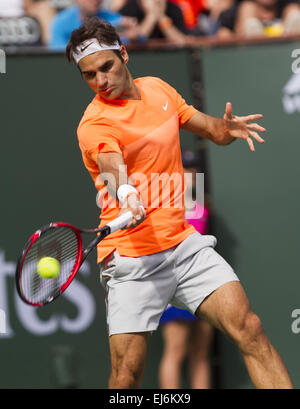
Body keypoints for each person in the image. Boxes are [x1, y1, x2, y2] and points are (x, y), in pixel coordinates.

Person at [66, 17, 293, 388]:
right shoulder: (94, 123)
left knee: (249, 328)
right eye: (89, 75)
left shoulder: (157, 89)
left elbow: (210, 130)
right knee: (126, 377)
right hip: (131, 257)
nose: (101, 81)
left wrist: (227, 128)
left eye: (106, 66)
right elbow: (112, 167)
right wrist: (127, 195)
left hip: (183, 246)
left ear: (123, 54)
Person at [159, 150, 213, 389]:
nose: (189, 174)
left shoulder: (201, 206)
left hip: (203, 284)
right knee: (176, 350)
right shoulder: (164, 206)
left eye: (192, 169)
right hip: (175, 286)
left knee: (200, 354)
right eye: (184, 168)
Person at [49, 0, 138, 49]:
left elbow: (136, 39)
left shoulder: (114, 18)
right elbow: (58, 53)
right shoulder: (61, 22)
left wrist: (133, 38)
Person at [115, 0, 189, 44]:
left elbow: (181, 41)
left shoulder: (174, 10)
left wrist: (161, 17)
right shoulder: (127, 10)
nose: (156, 1)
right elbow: (137, 39)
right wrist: (151, 16)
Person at [217, 0, 300, 38]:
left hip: (287, 60)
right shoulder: (236, 12)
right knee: (248, 8)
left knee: (294, 13)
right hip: (251, 62)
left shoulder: (290, 7)